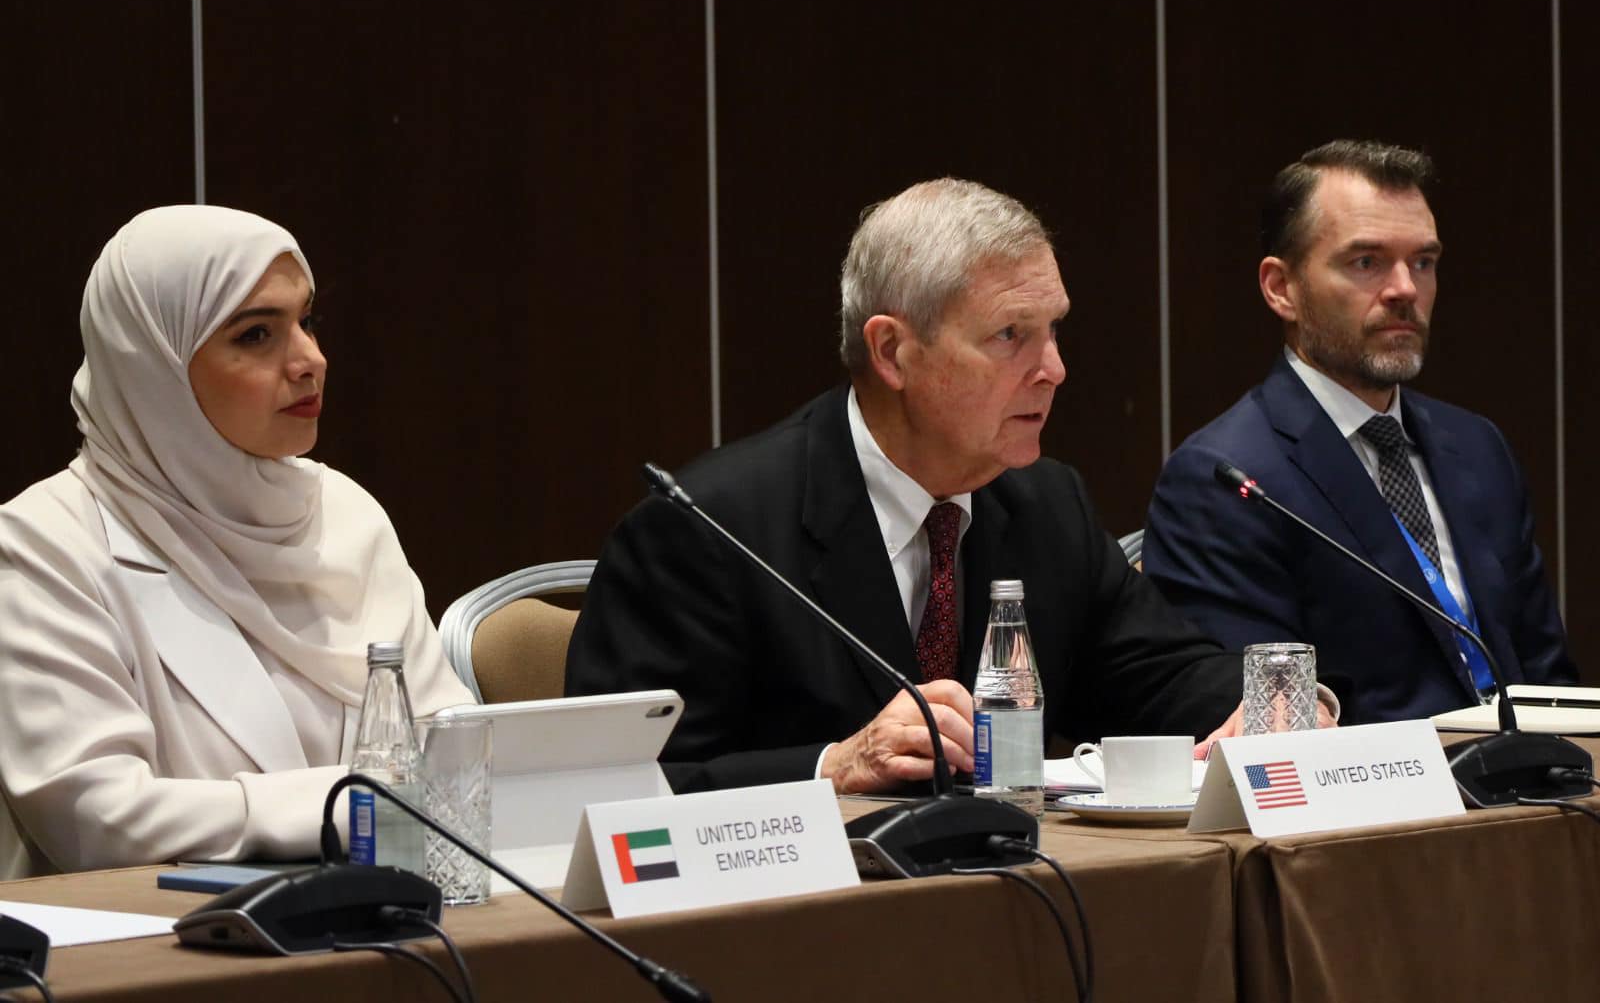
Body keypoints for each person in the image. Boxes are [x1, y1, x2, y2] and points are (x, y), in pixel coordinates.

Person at [566, 177, 1249, 795]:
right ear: (892, 351)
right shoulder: (708, 529)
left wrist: (1275, 703)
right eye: (1010, 334)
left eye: (1053, 330)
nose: (1054, 369)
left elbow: (1164, 680)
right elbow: (614, 787)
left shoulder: (1046, 505)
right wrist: (830, 766)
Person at [0, 206, 471, 878]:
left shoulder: (345, 513)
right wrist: (352, 804)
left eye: (306, 321)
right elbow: (97, 817)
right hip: (161, 931)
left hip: (381, 913)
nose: (310, 360)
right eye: (256, 334)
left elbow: (449, 751)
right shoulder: (45, 543)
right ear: (152, 366)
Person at [1142, 140, 1576, 725]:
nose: (1404, 290)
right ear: (1281, 288)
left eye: (1423, 262)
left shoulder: (1478, 447)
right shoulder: (1226, 479)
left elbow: (1548, 676)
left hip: (1531, 770)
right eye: (1366, 262)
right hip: (1379, 779)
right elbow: (1264, 715)